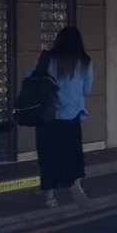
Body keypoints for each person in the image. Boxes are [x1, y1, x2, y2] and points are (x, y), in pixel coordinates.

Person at [35, 26, 94, 209]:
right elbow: (87, 88)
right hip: (72, 116)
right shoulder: (84, 62)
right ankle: (75, 184)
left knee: (48, 157)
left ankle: (50, 197)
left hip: (47, 117)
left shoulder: (48, 60)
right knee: (73, 154)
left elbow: (29, 76)